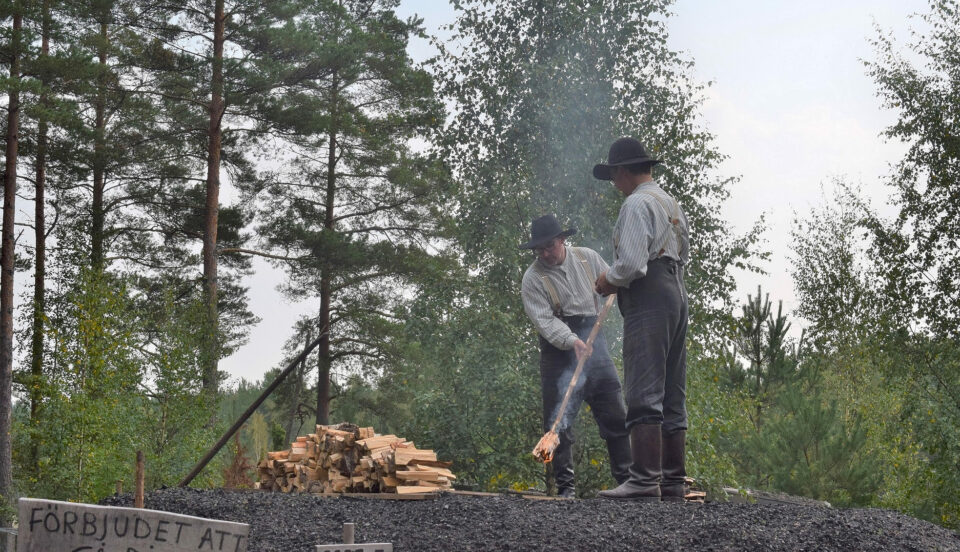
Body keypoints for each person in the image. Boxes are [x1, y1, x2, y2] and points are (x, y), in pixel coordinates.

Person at [592, 137, 690, 502]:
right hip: (676, 293)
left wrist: (608, 280)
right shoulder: (669, 202)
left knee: (644, 387)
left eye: (614, 177)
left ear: (622, 171)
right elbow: (684, 254)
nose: (615, 186)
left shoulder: (635, 204)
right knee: (671, 391)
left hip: (649, 296)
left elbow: (632, 264)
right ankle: (673, 482)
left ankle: (645, 479)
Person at [520, 214, 632, 499]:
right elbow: (545, 322)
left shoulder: (588, 258)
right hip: (558, 353)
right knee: (558, 422)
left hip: (597, 345)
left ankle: (627, 481)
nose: (545, 253)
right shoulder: (533, 279)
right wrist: (572, 341)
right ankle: (566, 490)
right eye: (539, 249)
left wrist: (616, 285)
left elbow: (613, 282)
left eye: (549, 246)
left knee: (616, 416)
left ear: (562, 240)